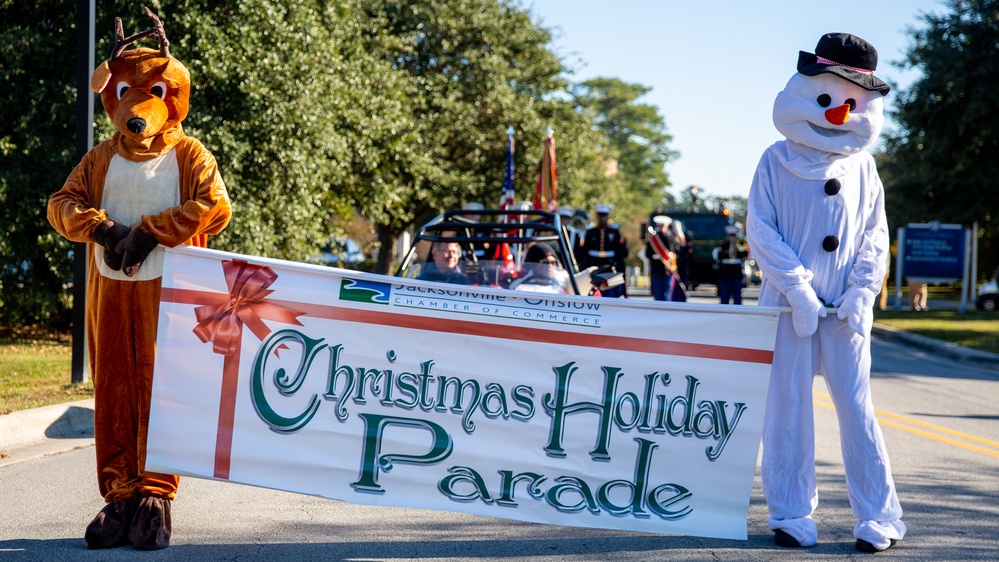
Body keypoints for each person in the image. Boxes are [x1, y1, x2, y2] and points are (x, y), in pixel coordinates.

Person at [746, 33, 905, 552]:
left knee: (858, 411)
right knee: (786, 410)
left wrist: (862, 291)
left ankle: (879, 517)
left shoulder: (864, 167)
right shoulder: (773, 160)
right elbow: (761, 229)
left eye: (850, 105)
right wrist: (796, 288)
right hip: (788, 311)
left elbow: (876, 234)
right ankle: (791, 513)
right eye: (825, 100)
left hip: (845, 316)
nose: (836, 115)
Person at [577, 204, 628, 298]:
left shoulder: (614, 232)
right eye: (600, 215)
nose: (602, 218)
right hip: (593, 265)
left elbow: (620, 252)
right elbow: (585, 251)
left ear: (607, 216)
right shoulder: (591, 232)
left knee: (609, 293)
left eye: (604, 215)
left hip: (609, 266)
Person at [645, 216, 686, 302]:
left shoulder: (654, 238)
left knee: (662, 294)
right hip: (664, 269)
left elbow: (648, 255)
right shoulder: (659, 238)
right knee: (663, 294)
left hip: (663, 269)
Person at [713, 225, 749, 304]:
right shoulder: (723, 245)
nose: (732, 237)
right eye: (730, 235)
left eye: (733, 235)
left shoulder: (740, 244)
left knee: (737, 295)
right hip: (725, 273)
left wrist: (738, 248)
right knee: (724, 296)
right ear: (727, 235)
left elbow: (745, 255)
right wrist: (726, 251)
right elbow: (717, 256)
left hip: (736, 273)